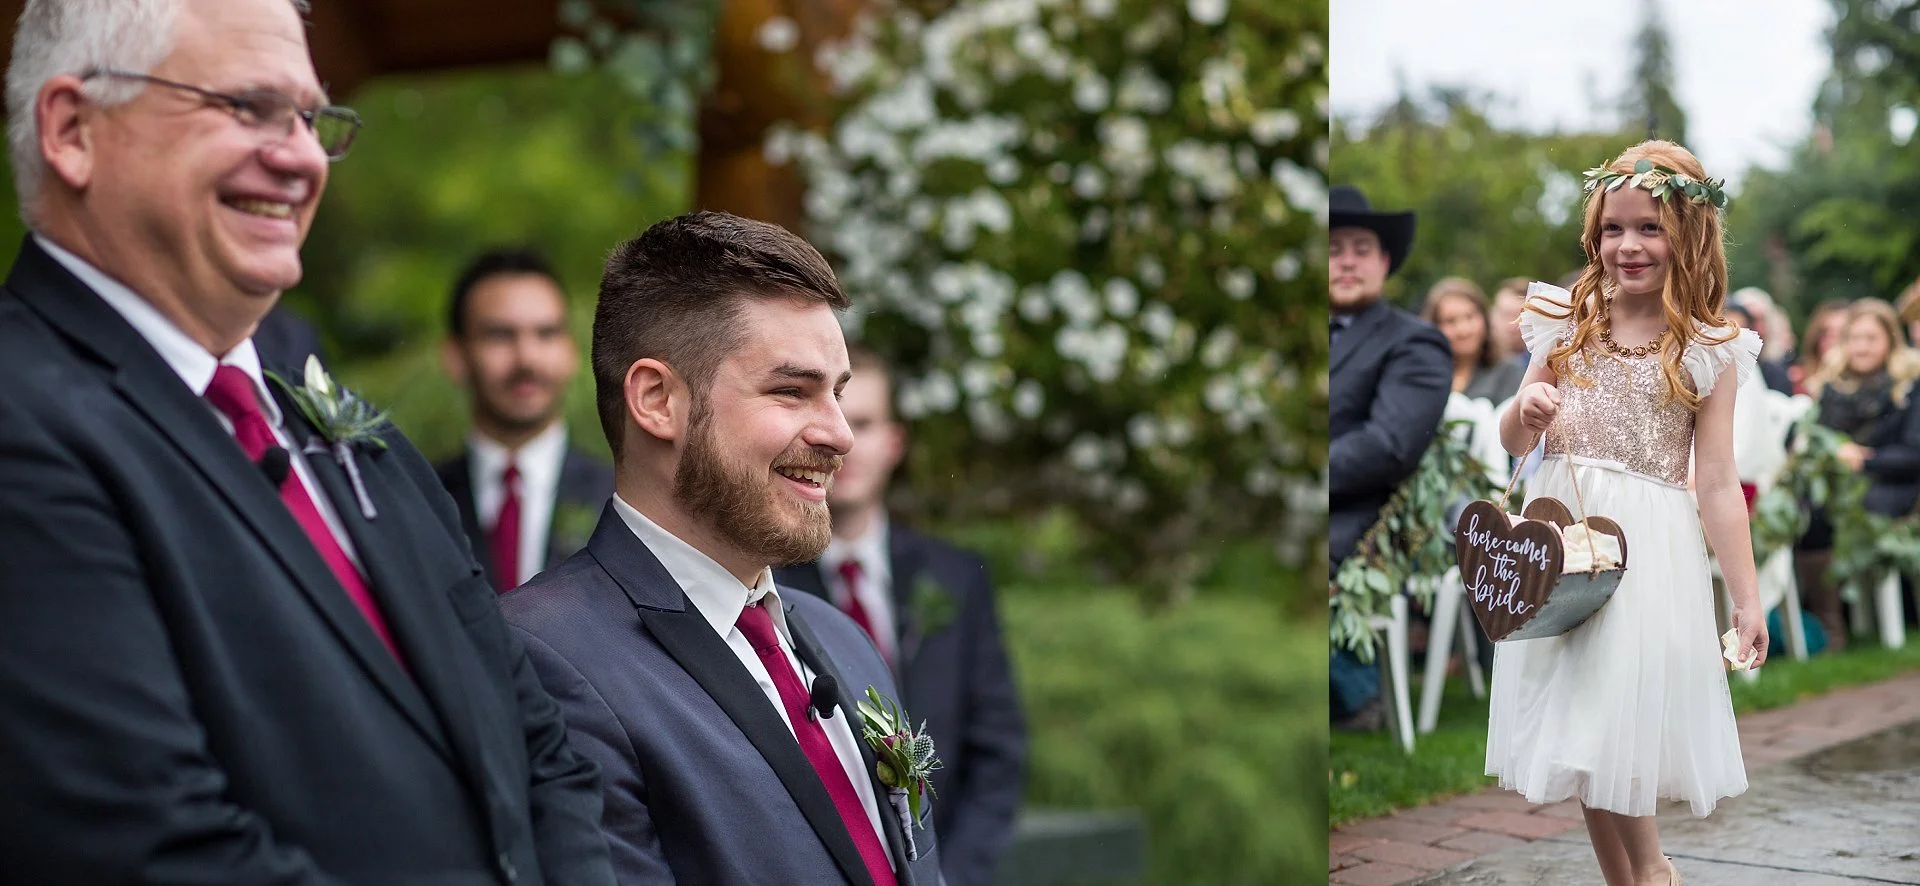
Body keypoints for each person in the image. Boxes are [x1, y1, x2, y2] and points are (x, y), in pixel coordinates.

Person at [0, 1, 616, 882]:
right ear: (72, 129)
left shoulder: (344, 427)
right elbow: (138, 842)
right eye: (246, 107)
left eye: (308, 117)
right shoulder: (22, 419)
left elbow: (537, 742)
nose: (296, 156)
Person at [500, 211, 943, 885]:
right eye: (791, 391)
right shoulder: (540, 658)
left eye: (839, 395)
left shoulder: (843, 642)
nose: (840, 435)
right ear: (657, 400)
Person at [1489, 140, 1764, 886]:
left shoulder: (1709, 349)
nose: (1628, 245)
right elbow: (1513, 440)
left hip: (1645, 552)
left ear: (1689, 235)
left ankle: (1650, 874)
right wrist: (1527, 406)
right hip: (1561, 538)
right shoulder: (1565, 319)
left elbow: (1715, 480)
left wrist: (1745, 599)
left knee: (1612, 722)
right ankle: (1633, 879)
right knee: (1579, 727)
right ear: (1594, 233)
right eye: (1613, 228)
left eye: (1649, 227)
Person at [775, 345, 1027, 886]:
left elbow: (998, 751)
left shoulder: (957, 578)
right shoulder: (768, 583)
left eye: (862, 422)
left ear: (894, 443)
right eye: (833, 415)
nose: (844, 439)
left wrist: (949, 876)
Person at [1329, 185, 1452, 731]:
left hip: (1364, 521)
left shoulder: (1415, 343)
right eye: (1332, 248)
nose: (1347, 260)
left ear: (1383, 261)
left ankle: (1352, 698)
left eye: (1360, 247)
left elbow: (1389, 447)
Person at [436, 247, 615, 593]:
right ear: (456, 355)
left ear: (572, 352)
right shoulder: (420, 498)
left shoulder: (618, 498)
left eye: (546, 333)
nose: (526, 359)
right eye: (500, 335)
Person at [1794, 299, 1920, 648]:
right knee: (1810, 516)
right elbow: (1815, 441)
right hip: (1841, 485)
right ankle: (1833, 628)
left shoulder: (1909, 386)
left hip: (1895, 484)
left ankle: (1882, 622)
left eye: (1871, 338)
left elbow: (1914, 452)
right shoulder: (1832, 388)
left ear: (1890, 341)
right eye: (1854, 338)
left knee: (1859, 508)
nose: (1861, 346)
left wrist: (1867, 459)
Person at [1422, 276, 1526, 403]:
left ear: (1484, 318)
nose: (1463, 330)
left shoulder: (1508, 372)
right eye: (1451, 321)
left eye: (1470, 317)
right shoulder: (1423, 374)